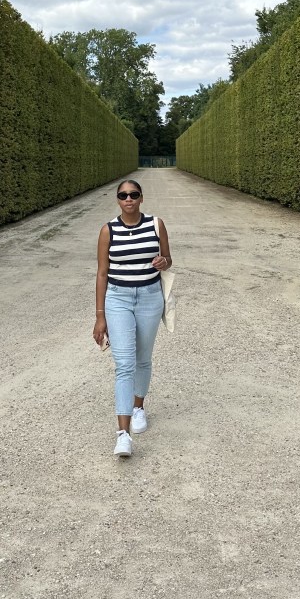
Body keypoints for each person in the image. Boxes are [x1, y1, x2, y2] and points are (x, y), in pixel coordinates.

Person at [93, 179, 172, 457]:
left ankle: (138, 407)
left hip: (150, 297)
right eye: (123, 195)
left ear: (141, 198)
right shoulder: (108, 230)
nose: (129, 199)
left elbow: (168, 259)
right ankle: (123, 435)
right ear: (118, 199)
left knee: (143, 358)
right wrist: (100, 316)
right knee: (124, 364)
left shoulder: (156, 224)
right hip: (118, 299)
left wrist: (163, 262)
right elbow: (102, 273)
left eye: (134, 194)